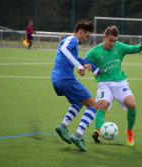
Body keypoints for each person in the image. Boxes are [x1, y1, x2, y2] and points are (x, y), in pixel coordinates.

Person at [85, 25, 142, 146]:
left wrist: (140, 47)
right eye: (110, 40)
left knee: (132, 104)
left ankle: (129, 131)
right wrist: (87, 66)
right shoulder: (94, 52)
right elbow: (85, 61)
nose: (113, 43)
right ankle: (98, 132)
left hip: (120, 83)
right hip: (104, 84)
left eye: (114, 41)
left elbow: (132, 49)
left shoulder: (119, 47)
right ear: (104, 37)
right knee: (101, 105)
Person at [51, 20, 99, 152]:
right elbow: (64, 49)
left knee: (78, 102)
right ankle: (78, 135)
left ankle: (63, 126)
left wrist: (90, 67)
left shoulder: (72, 43)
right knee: (94, 105)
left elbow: (74, 57)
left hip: (57, 80)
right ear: (81, 32)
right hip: (65, 79)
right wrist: (78, 66)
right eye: (87, 36)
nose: (86, 39)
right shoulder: (71, 40)